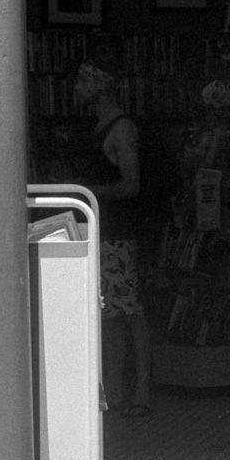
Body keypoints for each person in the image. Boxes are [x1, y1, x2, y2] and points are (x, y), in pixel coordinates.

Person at [69, 46, 152, 418]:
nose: (77, 86)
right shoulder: (102, 126)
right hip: (103, 230)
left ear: (101, 85)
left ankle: (140, 391)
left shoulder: (121, 129)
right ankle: (117, 391)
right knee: (112, 312)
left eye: (85, 79)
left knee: (129, 312)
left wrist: (84, 192)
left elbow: (131, 185)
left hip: (117, 231)